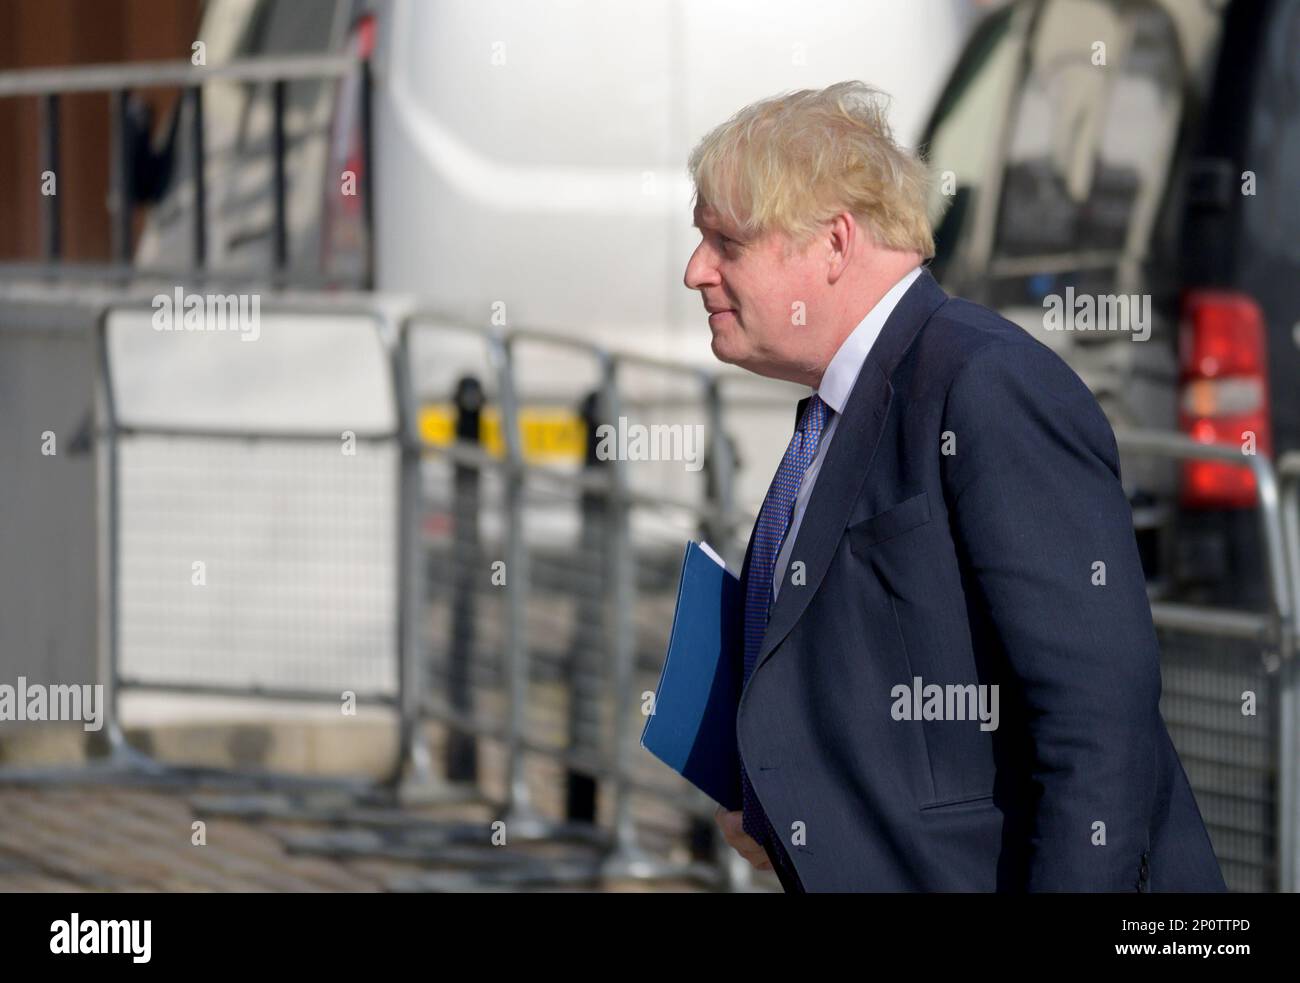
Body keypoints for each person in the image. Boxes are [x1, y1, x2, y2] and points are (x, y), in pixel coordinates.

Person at [683, 81, 1226, 892]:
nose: (697, 271)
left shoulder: (985, 383)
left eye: (726, 242)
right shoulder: (842, 407)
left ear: (835, 243)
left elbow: (1096, 722)